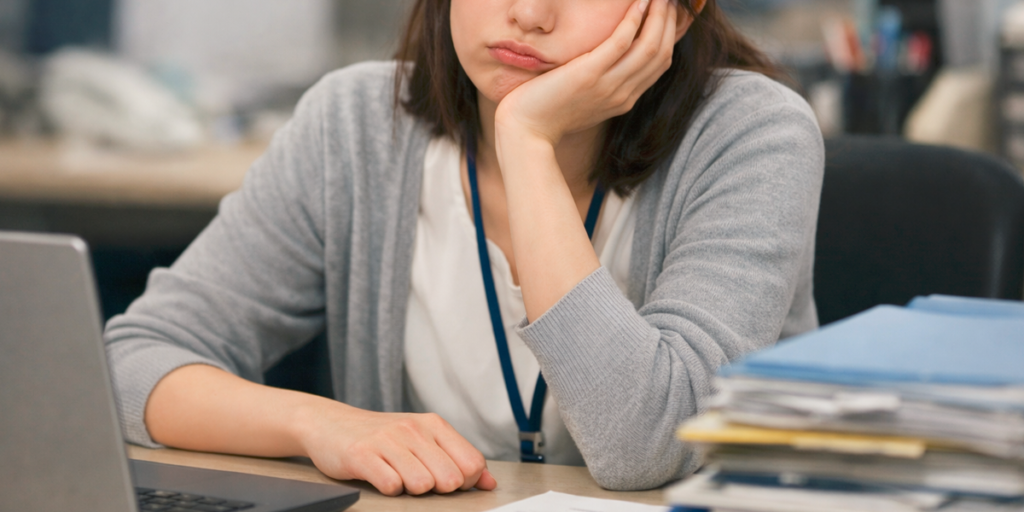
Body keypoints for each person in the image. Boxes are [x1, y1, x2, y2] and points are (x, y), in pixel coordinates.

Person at [104, 0, 823, 497]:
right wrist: (317, 421)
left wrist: (527, 143)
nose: (531, 13)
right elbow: (133, 362)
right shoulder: (355, 125)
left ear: (681, 10)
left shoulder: (752, 135)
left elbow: (649, 445)